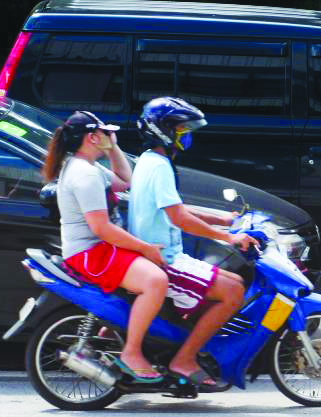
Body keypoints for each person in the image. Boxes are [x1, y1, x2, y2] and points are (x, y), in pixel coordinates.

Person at [128, 97, 258, 391]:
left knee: (235, 280)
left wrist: (224, 220)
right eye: (181, 128)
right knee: (234, 293)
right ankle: (184, 360)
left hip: (168, 255)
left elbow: (177, 208)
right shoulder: (159, 166)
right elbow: (179, 217)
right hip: (165, 260)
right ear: (163, 130)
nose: (187, 134)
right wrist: (228, 237)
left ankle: (189, 344)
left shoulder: (151, 161)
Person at [42, 110, 168, 383]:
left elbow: (126, 180)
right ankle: (131, 353)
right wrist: (145, 248)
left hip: (101, 248)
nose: (111, 136)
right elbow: (101, 228)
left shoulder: (87, 166)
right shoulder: (83, 174)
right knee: (156, 281)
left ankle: (112, 332)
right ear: (91, 137)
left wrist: (113, 147)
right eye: (106, 133)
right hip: (90, 254)